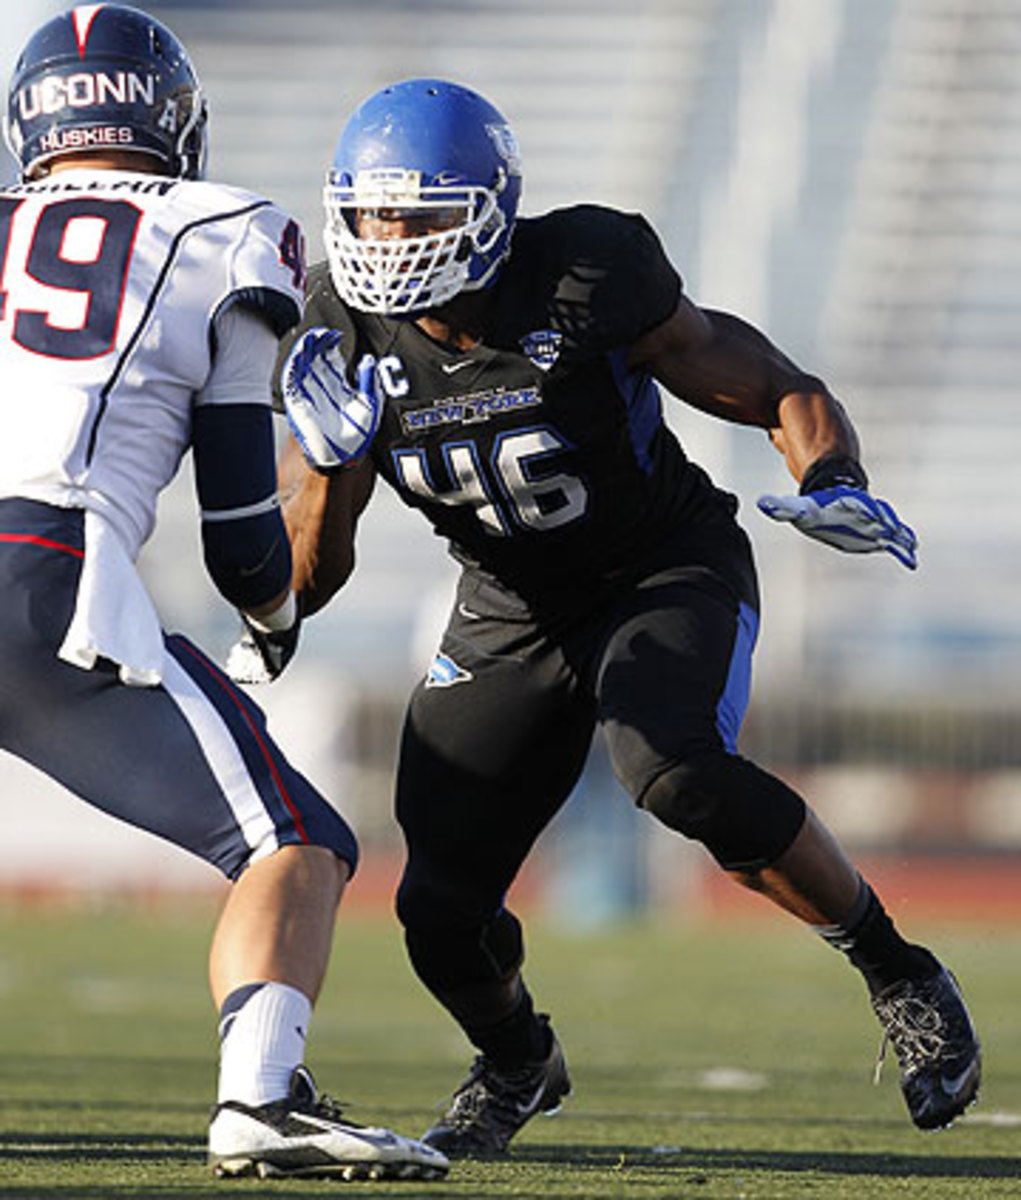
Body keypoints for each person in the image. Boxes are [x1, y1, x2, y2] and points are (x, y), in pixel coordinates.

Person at [275, 77, 981, 1158]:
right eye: (369, 215)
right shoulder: (337, 326)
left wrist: (832, 475)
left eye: (419, 216)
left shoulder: (583, 272)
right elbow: (304, 581)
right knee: (438, 910)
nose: (389, 241)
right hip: (509, 607)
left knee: (673, 768)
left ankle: (897, 969)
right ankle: (517, 1060)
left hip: (660, 564)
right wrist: (327, 469)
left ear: (491, 212)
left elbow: (771, 384)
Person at [0, 9, 449, 1183]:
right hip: (34, 572)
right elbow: (243, 530)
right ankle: (261, 1098)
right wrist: (272, 616)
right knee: (293, 840)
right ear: (173, 119)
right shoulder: (227, 230)